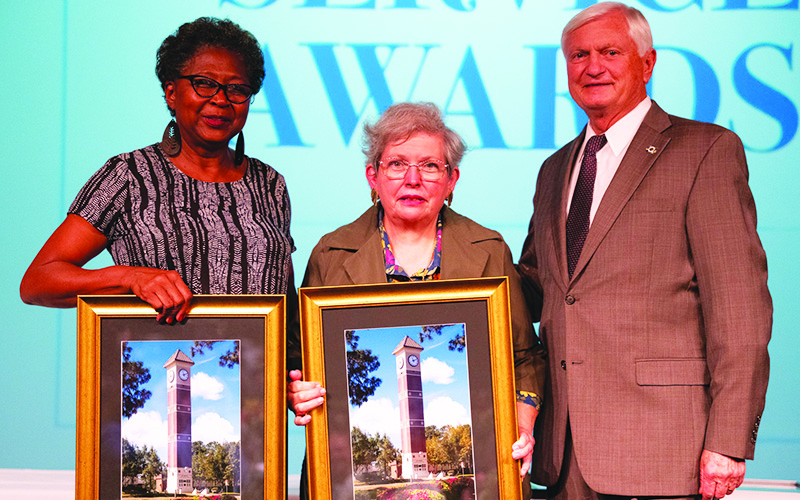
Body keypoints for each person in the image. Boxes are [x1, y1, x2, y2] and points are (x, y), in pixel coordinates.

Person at [518, 3, 772, 500]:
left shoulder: (705, 151)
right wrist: (439, 282)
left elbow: (739, 308)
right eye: (578, 55)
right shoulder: (554, 170)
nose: (593, 66)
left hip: (665, 451)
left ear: (647, 63)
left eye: (610, 52)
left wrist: (728, 441)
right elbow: (536, 286)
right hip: (564, 455)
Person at [287, 102, 546, 496]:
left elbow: (525, 358)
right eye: (396, 164)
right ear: (372, 176)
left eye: (429, 166)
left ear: (452, 179)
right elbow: (299, 359)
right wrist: (298, 392)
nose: (413, 179)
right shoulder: (331, 253)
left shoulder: (489, 250)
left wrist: (522, 422)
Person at [20, 17, 294, 321]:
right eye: (204, 83)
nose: (220, 99)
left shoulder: (269, 184)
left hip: (261, 366)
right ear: (171, 92)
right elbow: (37, 282)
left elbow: (288, 306)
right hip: (161, 363)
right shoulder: (128, 175)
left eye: (237, 88)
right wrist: (129, 277)